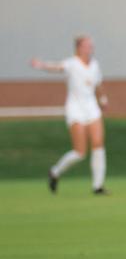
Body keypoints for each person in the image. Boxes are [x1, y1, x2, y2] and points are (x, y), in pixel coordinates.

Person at [30, 35, 109, 195]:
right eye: (87, 46)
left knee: (98, 144)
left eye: (91, 46)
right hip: (75, 109)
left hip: (92, 108)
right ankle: (55, 172)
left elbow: (98, 84)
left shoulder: (94, 64)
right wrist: (41, 65)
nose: (90, 48)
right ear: (79, 48)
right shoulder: (72, 64)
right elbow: (57, 67)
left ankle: (98, 186)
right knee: (80, 152)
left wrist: (102, 99)